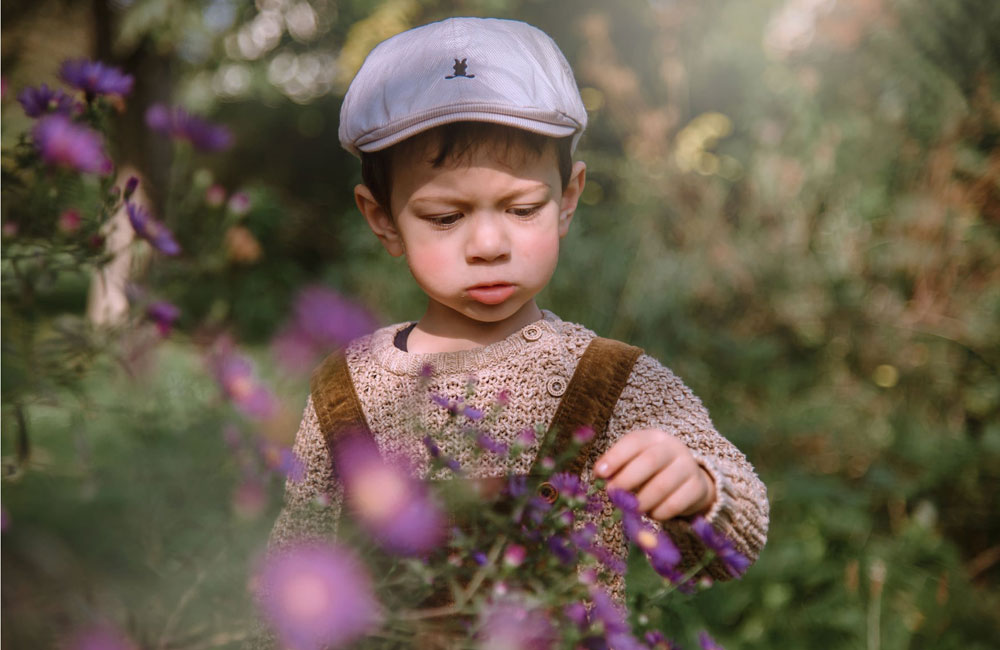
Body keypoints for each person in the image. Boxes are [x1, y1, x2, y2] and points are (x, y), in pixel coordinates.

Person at [267, 16, 768, 605]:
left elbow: (729, 543)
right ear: (383, 218)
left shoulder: (615, 382)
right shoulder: (344, 388)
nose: (488, 245)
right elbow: (296, 571)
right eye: (446, 217)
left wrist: (701, 491)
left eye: (523, 209)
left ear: (567, 199)